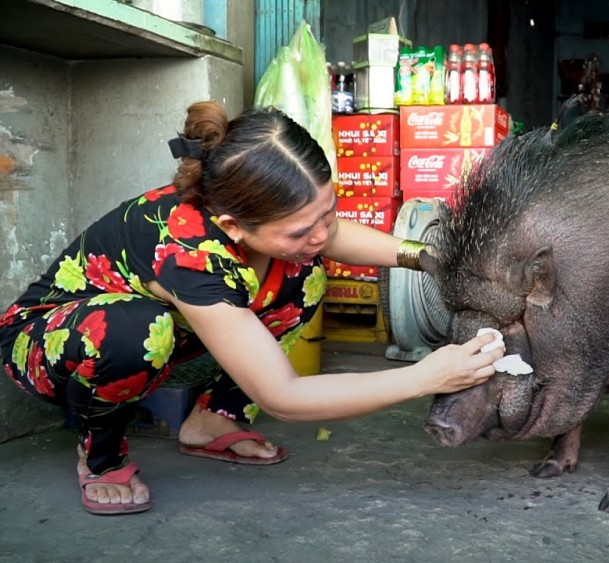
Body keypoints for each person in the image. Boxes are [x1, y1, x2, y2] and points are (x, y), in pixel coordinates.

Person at [0, 100, 503, 516]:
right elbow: (283, 396)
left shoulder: (263, 218)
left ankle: (213, 420)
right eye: (300, 229)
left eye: (326, 212)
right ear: (233, 226)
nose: (322, 234)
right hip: (48, 344)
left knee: (304, 274)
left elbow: (333, 238)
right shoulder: (189, 252)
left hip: (159, 334)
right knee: (137, 328)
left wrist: (425, 257)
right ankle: (102, 455)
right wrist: (427, 376)